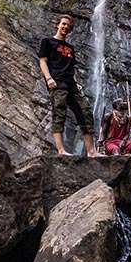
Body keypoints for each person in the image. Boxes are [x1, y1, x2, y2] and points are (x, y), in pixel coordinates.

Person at [37, 14, 98, 156]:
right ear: (57, 24)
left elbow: (72, 67)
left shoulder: (70, 47)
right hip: (57, 82)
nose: (65, 27)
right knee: (59, 112)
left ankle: (91, 151)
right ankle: (61, 150)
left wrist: (76, 83)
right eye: (63, 24)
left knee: (85, 112)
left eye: (68, 26)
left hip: (71, 83)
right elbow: (43, 61)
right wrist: (49, 79)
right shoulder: (47, 42)